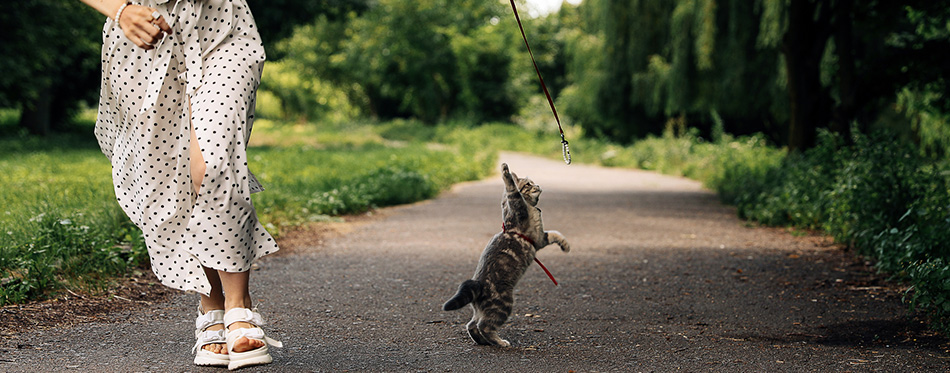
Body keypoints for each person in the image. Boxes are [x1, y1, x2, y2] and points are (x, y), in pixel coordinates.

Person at [78, 0, 281, 369]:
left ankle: (239, 307)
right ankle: (211, 309)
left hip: (221, 27)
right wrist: (120, 10)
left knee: (214, 161)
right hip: (143, 36)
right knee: (174, 176)